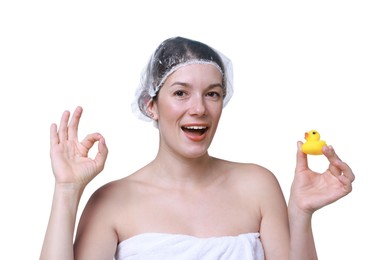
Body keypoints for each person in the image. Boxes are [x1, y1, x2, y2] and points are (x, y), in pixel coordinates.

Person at [40, 36, 355, 260]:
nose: (199, 109)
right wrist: (67, 190)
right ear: (151, 105)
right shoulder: (111, 202)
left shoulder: (257, 185)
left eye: (213, 94)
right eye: (180, 93)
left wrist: (300, 213)